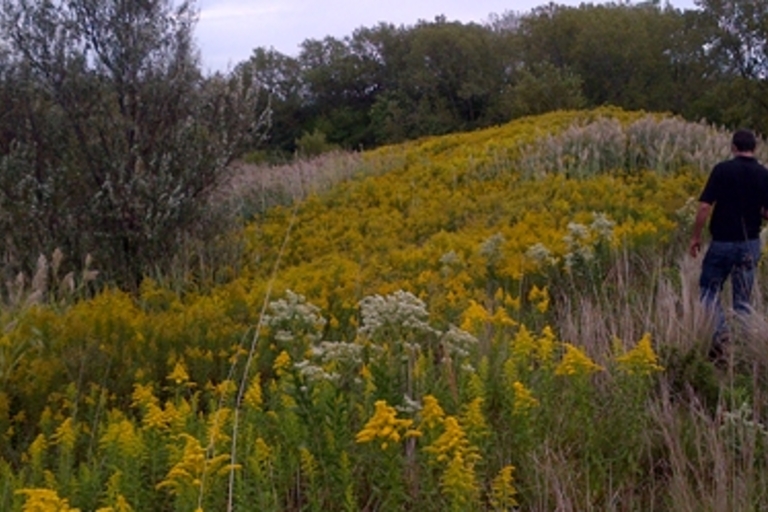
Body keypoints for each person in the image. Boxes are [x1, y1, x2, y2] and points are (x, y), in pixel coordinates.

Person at [689, 129, 768, 363]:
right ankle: (743, 351)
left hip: (722, 243)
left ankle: (721, 337)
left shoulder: (722, 170)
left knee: (709, 290)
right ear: (754, 148)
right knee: (743, 300)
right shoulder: (764, 174)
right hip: (750, 243)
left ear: (733, 147)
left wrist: (695, 237)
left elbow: (704, 207)